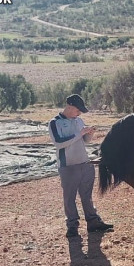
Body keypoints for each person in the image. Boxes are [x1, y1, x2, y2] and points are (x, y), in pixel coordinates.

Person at [49, 94, 114, 238]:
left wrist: (89, 133)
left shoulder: (79, 121)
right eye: (78, 110)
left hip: (85, 164)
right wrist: (80, 134)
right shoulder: (55, 122)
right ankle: (72, 227)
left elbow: (85, 141)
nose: (79, 114)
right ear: (69, 106)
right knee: (69, 198)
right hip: (68, 166)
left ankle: (93, 222)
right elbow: (59, 143)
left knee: (87, 196)